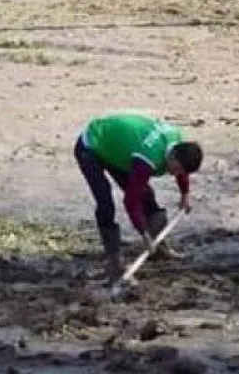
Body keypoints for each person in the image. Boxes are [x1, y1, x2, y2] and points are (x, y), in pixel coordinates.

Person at [74, 112, 203, 284]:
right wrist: (143, 234)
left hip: (120, 147)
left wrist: (185, 194)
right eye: (176, 168)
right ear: (172, 156)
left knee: (146, 195)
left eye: (180, 172)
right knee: (105, 203)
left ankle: (159, 248)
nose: (175, 173)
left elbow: (182, 171)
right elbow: (130, 201)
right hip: (92, 145)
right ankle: (115, 264)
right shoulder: (148, 158)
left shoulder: (177, 141)